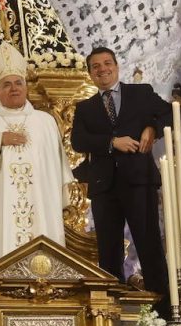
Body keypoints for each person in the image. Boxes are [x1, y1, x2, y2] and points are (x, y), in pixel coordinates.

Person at [0, 42, 74, 271]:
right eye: (6, 84)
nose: (13, 89)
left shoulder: (45, 121)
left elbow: (56, 167)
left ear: (26, 87)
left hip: (41, 203)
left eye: (18, 83)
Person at [71, 47, 171, 294]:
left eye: (107, 63)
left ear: (116, 66)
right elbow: (78, 141)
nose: (102, 69)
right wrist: (111, 142)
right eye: (96, 66)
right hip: (104, 187)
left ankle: (165, 312)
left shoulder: (141, 93)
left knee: (149, 245)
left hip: (139, 180)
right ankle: (112, 312)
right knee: (108, 251)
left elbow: (168, 113)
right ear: (90, 73)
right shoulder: (85, 108)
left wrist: (152, 128)